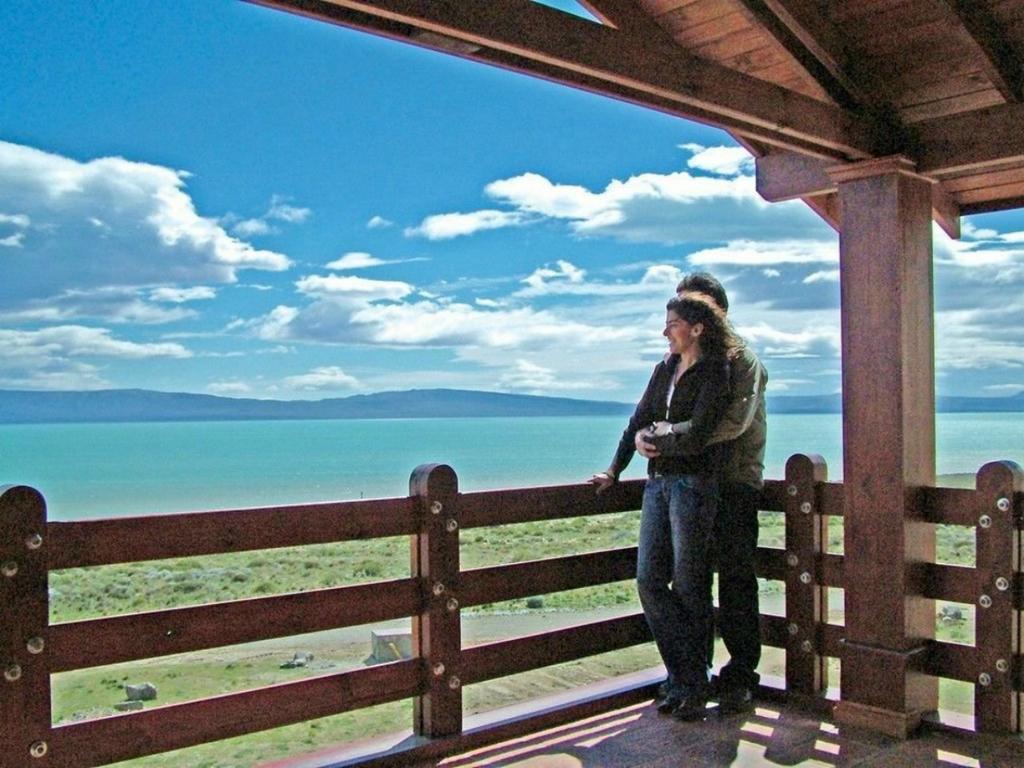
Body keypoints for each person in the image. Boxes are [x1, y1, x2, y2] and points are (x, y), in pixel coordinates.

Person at [590, 292, 739, 720]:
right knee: (649, 580)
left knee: (691, 585)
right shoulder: (664, 369)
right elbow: (638, 420)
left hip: (694, 485)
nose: (665, 331)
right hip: (658, 485)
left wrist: (660, 435)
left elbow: (700, 431)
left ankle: (690, 684)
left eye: (672, 323)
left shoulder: (716, 371)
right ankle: (687, 675)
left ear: (696, 328)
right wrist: (616, 469)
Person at [637, 273, 768, 714]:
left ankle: (740, 673)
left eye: (691, 305)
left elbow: (732, 423)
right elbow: (655, 417)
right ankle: (692, 674)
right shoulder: (678, 366)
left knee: (734, 578)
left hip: (733, 483)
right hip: (694, 483)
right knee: (688, 581)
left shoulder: (741, 361)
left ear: (714, 313)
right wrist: (653, 438)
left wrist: (672, 439)